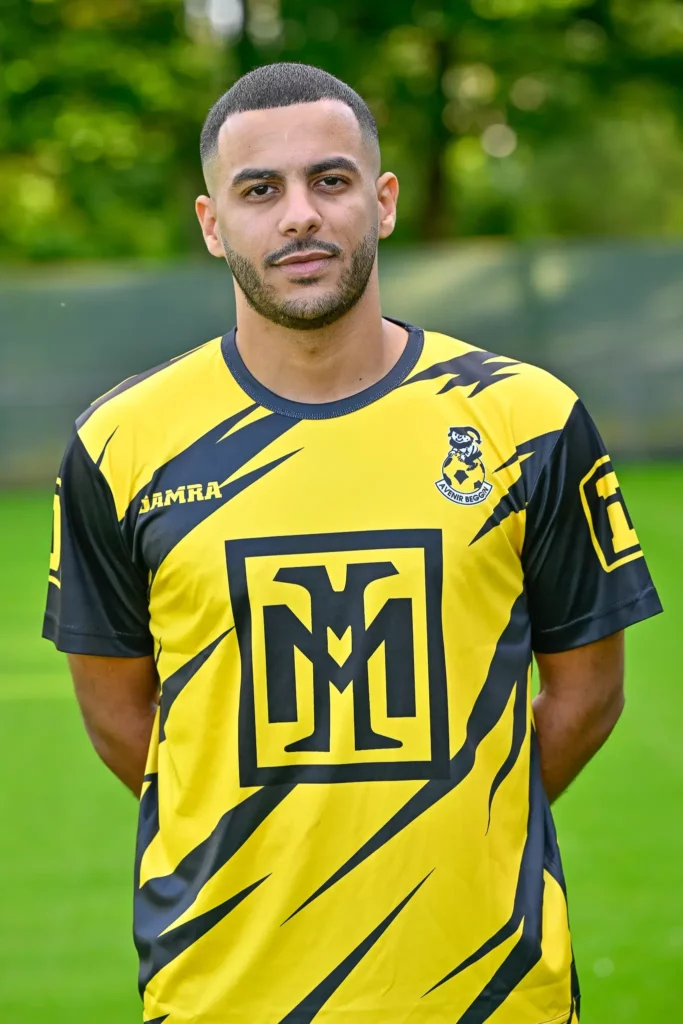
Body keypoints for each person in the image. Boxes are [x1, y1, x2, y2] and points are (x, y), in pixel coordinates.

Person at [43, 62, 661, 1024]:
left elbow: (587, 692)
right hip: (224, 994)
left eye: (329, 181)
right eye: (260, 190)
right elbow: (125, 718)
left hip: (488, 992)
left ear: (382, 203)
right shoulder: (120, 445)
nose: (299, 215)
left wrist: (456, 815)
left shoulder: (526, 421)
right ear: (212, 225)